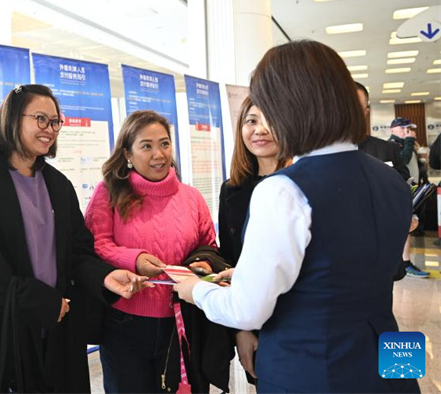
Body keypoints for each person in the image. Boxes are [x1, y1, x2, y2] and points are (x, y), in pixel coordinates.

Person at [174, 40, 419, 393]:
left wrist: (195, 290)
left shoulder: (284, 190)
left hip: (314, 369)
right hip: (388, 361)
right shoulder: (391, 178)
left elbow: (247, 310)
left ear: (289, 107)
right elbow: (338, 270)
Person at [0, 84, 149, 393]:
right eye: (41, 119)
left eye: (55, 121)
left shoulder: (57, 185)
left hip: (55, 331)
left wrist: (106, 277)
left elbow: (78, 252)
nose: (50, 129)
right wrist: (42, 303)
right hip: (2, 333)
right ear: (13, 119)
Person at [85, 110, 226, 394]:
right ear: (127, 153)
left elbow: (209, 245)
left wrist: (202, 264)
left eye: (164, 143)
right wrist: (133, 260)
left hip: (183, 321)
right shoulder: (109, 192)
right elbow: (95, 245)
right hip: (124, 324)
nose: (158, 154)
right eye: (146, 146)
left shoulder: (192, 198)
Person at [217, 97, 289, 381]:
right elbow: (231, 260)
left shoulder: (303, 183)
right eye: (252, 121)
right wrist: (241, 328)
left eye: (270, 119)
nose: (260, 129)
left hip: (299, 317)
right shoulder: (232, 189)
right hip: (254, 320)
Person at [354, 83, 426, 278]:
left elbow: (404, 188)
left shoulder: (386, 149)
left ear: (366, 112)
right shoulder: (313, 153)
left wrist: (411, 216)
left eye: (355, 107)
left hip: (381, 253)